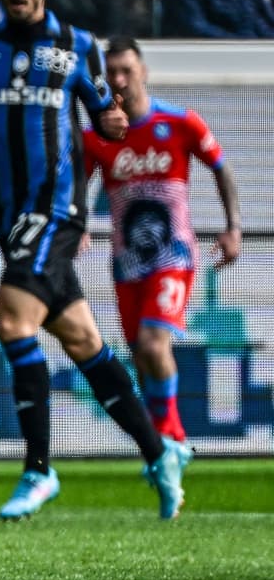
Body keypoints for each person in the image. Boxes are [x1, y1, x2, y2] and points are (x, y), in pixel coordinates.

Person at [0, 0, 191, 521]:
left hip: (58, 209)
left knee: (11, 319)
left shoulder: (77, 46)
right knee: (82, 341)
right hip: (10, 218)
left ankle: (38, 469)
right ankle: (160, 452)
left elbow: (107, 120)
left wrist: (115, 123)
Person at [82, 36, 241, 444]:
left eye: (126, 70)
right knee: (140, 355)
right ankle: (160, 443)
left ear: (143, 72)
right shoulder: (97, 137)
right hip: (127, 261)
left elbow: (220, 167)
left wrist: (233, 227)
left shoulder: (180, 123)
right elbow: (75, 186)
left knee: (155, 345)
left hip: (174, 255)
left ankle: (172, 438)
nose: (120, 80)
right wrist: (78, 222)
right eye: (111, 73)